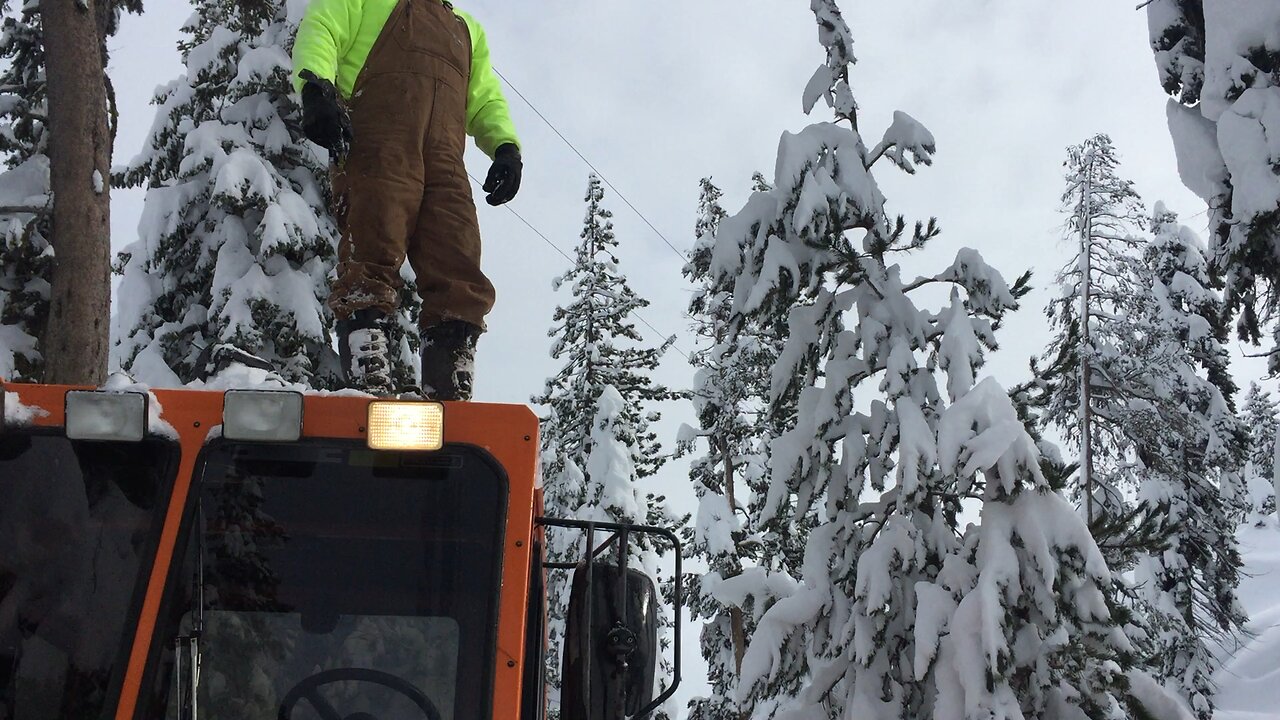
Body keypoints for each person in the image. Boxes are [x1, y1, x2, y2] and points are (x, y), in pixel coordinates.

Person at [292, 0, 522, 400]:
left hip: (445, 162)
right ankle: (368, 355)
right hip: (378, 140)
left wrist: (505, 146)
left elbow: (484, 97)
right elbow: (322, 29)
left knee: (457, 252)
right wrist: (315, 86)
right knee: (375, 234)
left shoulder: (465, 28)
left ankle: (450, 367)